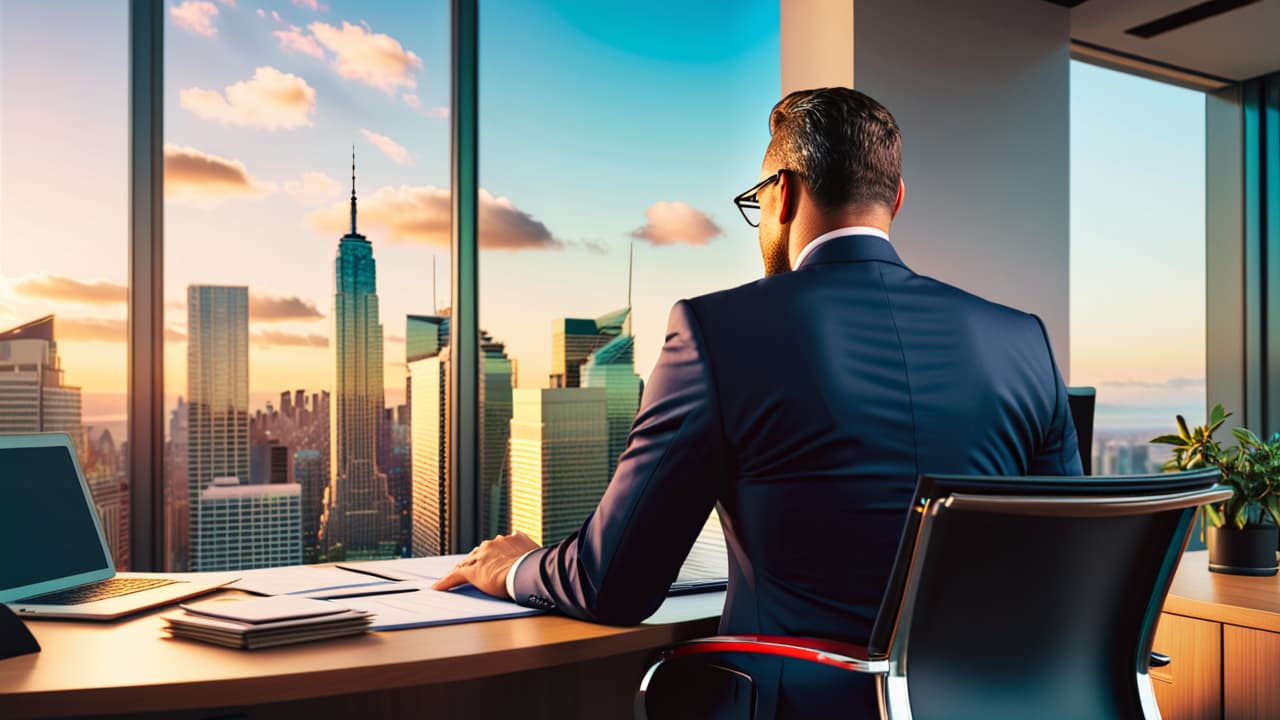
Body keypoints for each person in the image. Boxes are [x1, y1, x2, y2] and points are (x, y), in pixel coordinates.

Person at [434, 87, 1082, 714]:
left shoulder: (717, 330)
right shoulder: (1021, 339)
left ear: (783, 194)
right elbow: (1067, 567)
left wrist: (516, 567)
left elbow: (615, 584)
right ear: (897, 200)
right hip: (990, 704)